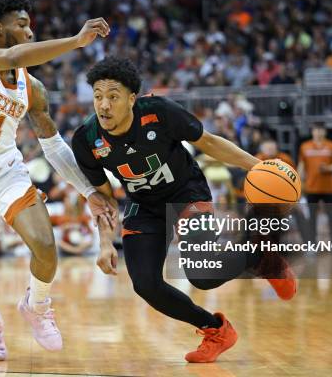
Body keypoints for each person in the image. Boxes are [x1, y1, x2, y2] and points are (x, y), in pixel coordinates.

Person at [71, 57, 297, 364]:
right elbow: (103, 197)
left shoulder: (159, 112)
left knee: (202, 274)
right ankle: (216, 329)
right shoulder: (86, 139)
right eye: (98, 96)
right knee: (146, 285)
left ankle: (264, 259)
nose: (104, 105)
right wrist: (104, 241)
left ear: (131, 98)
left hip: (185, 192)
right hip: (144, 206)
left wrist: (258, 166)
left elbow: (209, 143)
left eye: (113, 96)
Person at [0, 0, 113, 361]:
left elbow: (53, 145)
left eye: (30, 25)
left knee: (46, 246)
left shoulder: (32, 88)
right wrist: (76, 41)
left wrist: (87, 191)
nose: (30, 32)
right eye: (22, 24)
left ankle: (38, 304)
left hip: (6, 173)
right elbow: (9, 56)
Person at [298, 123, 332, 242]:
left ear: (325, 132)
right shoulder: (305, 146)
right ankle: (311, 244)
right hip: (311, 187)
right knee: (312, 218)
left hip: (328, 188)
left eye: (321, 130)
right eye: (316, 130)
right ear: (312, 132)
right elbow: (301, 165)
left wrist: (328, 168)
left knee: (331, 217)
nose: (318, 132)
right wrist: (298, 181)